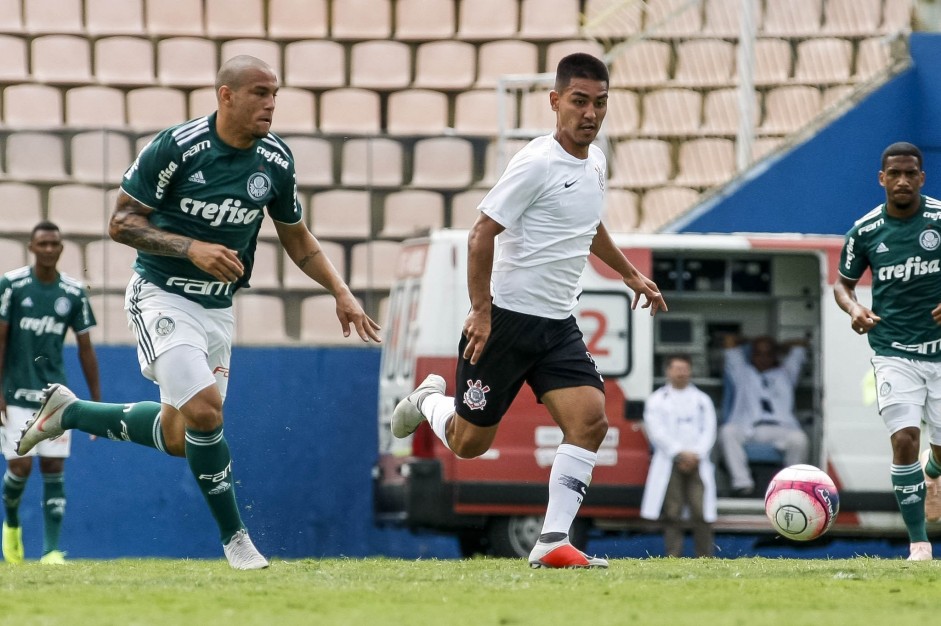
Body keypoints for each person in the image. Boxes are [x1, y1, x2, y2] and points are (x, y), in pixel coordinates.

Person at [16, 55, 381, 570]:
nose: (271, 103)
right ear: (225, 95)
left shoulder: (275, 161)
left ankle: (68, 412)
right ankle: (236, 541)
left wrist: (340, 291)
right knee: (208, 411)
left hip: (216, 308)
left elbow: (297, 239)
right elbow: (120, 223)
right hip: (160, 295)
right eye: (259, 93)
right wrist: (190, 248)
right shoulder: (177, 147)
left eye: (275, 93)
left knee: (179, 437)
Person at [390, 53, 666, 569]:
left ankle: (552, 541)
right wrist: (480, 310)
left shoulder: (597, 161)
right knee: (469, 445)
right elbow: (481, 233)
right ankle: (431, 399)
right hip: (507, 321)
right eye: (579, 102)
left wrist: (629, 273)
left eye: (600, 103)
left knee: (589, 422)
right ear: (555, 102)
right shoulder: (536, 163)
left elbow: (588, 224)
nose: (590, 113)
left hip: (557, 325)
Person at [834, 141, 941, 562]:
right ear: (881, 179)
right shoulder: (865, 230)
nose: (901, 180)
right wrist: (855, 307)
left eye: (909, 173)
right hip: (893, 349)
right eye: (893, 174)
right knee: (904, 440)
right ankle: (919, 544)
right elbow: (842, 284)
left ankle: (932, 475)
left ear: (921, 177)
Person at [0, 221, 101, 565]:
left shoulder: (73, 292)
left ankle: (51, 550)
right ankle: (11, 522)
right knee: (21, 468)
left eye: (53, 244)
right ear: (31, 247)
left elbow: (86, 349)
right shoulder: (11, 286)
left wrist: (95, 402)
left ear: (60, 248)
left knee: (54, 465)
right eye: (41, 243)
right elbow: (0, 338)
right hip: (13, 393)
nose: (48, 249)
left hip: (54, 396)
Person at [640, 355, 717, 558]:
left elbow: (709, 430)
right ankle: (673, 555)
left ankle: (705, 557)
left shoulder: (702, 400)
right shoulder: (657, 399)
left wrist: (696, 454)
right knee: (672, 512)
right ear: (668, 371)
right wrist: (678, 453)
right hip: (670, 462)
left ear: (690, 371)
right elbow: (656, 431)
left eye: (685, 368)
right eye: (677, 368)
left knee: (701, 512)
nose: (681, 372)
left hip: (697, 462)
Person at [718, 334, 808, 496]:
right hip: (750, 428)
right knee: (728, 431)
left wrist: (779, 345)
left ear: (775, 355)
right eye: (759, 353)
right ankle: (743, 484)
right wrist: (750, 342)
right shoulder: (742, 372)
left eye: (768, 354)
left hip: (781, 428)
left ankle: (789, 489)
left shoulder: (786, 373)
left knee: (799, 439)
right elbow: (729, 341)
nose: (763, 358)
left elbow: (801, 344)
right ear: (752, 355)